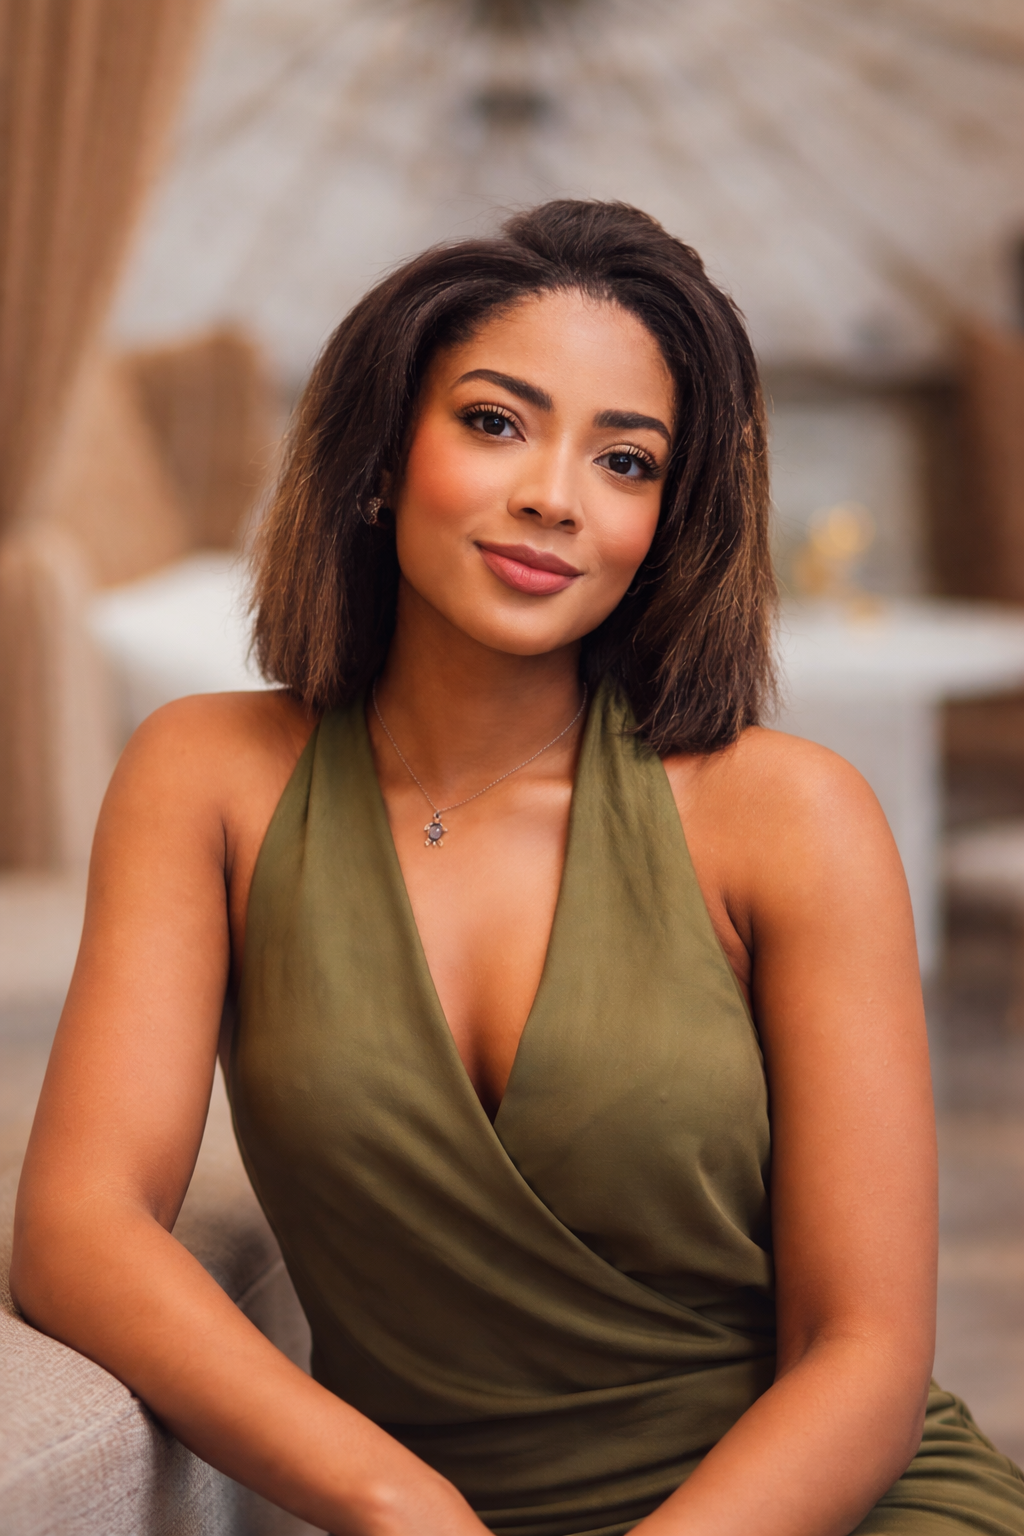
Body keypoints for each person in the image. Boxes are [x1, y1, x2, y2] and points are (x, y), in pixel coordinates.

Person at [11, 200, 1024, 1536]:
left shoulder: (788, 816)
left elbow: (866, 1353)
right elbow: (80, 1229)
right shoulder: (207, 780)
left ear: (668, 518)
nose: (554, 493)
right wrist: (389, 1498)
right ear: (380, 455)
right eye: (495, 422)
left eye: (627, 460)